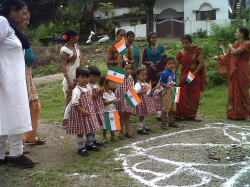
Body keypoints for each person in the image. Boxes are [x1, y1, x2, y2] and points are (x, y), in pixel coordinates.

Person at [0, 0, 34, 168]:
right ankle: (14, 154)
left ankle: (10, 154)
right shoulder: (2, 22)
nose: (26, 16)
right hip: (4, 81)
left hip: (13, 81)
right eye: (23, 12)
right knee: (8, 116)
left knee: (10, 117)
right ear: (12, 10)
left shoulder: (13, 28)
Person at [15, 7, 45, 154]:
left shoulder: (20, 37)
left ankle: (30, 137)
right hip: (17, 80)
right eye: (24, 17)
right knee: (22, 110)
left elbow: (29, 59)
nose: (27, 21)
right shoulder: (10, 37)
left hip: (28, 77)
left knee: (35, 107)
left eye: (28, 19)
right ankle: (18, 144)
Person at [67, 67, 101, 156]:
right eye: (82, 77)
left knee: (89, 128)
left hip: (89, 112)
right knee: (81, 131)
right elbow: (75, 103)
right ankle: (80, 147)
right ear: (77, 78)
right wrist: (81, 110)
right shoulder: (77, 90)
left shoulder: (88, 88)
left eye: (87, 77)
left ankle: (89, 143)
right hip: (80, 114)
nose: (85, 79)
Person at [174, 34, 206, 121]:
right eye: (183, 43)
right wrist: (171, 76)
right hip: (185, 76)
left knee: (194, 95)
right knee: (180, 92)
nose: (184, 45)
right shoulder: (180, 54)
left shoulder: (196, 50)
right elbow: (175, 67)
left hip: (195, 75)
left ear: (190, 43)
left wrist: (194, 73)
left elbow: (201, 63)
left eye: (186, 43)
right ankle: (177, 113)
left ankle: (192, 115)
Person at [226, 27, 250, 120]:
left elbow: (235, 52)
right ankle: (236, 113)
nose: (235, 33)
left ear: (242, 34)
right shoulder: (236, 44)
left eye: (237, 32)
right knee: (234, 91)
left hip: (242, 69)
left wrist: (230, 46)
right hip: (234, 70)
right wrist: (219, 58)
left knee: (243, 91)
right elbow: (227, 55)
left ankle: (247, 113)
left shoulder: (247, 43)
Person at [60, 29, 82, 106]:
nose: (78, 38)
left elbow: (80, 59)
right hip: (70, 75)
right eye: (76, 36)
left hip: (78, 74)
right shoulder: (64, 50)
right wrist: (68, 81)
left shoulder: (76, 46)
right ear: (72, 37)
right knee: (71, 96)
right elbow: (63, 66)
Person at [132, 68, 156, 135]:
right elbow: (137, 92)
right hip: (141, 102)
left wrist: (156, 88)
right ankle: (140, 129)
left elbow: (150, 91)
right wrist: (145, 91)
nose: (144, 76)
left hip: (145, 101)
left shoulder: (145, 83)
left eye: (145, 75)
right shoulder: (138, 84)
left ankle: (142, 126)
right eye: (142, 75)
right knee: (141, 115)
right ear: (137, 75)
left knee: (143, 115)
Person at [115, 61, 135, 139]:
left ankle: (127, 131)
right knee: (122, 116)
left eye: (130, 69)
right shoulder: (120, 77)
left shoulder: (131, 78)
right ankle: (121, 132)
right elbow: (118, 70)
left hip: (129, 98)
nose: (128, 70)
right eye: (126, 69)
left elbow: (133, 88)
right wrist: (119, 62)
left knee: (127, 115)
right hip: (121, 98)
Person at [160, 57, 180, 129]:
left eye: (173, 63)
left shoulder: (174, 74)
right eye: (169, 64)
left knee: (172, 107)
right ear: (165, 65)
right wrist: (166, 86)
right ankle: (163, 123)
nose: (171, 65)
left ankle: (171, 122)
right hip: (167, 90)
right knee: (166, 107)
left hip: (173, 90)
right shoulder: (164, 73)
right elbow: (161, 82)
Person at [99, 75, 121, 142]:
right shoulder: (102, 93)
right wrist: (112, 101)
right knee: (105, 125)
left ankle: (112, 135)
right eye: (111, 82)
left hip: (112, 110)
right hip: (106, 111)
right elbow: (103, 103)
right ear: (105, 83)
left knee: (112, 124)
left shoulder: (111, 92)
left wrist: (116, 101)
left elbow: (113, 101)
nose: (113, 83)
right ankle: (104, 137)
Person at [87, 66, 105, 146]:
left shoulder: (96, 85)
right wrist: (99, 93)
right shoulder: (88, 86)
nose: (95, 79)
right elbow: (91, 97)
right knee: (91, 125)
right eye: (93, 76)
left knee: (95, 124)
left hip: (97, 107)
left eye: (97, 77)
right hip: (91, 108)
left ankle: (93, 140)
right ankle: (89, 142)